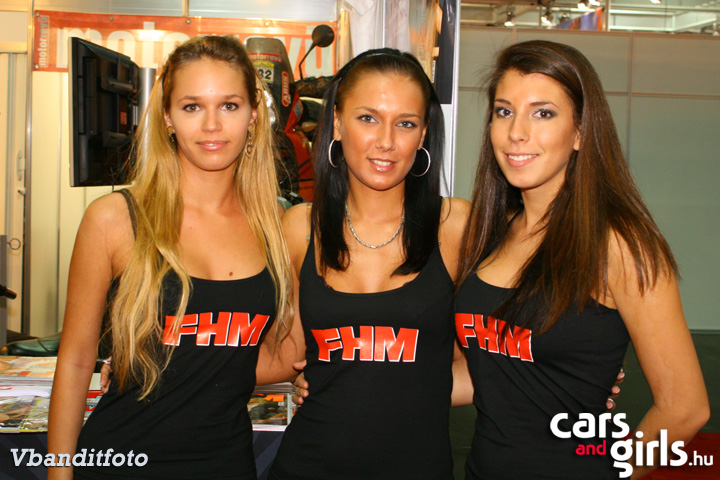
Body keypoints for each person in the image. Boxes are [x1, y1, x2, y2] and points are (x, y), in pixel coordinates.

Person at [453, 40, 709, 479]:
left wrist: (614, 473)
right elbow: (481, 376)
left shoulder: (619, 245)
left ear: (580, 133)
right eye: (504, 111)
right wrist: (359, 376)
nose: (517, 132)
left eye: (543, 113)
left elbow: (685, 409)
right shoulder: (490, 234)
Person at [47, 35, 292, 480]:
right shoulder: (114, 219)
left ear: (254, 115)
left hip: (225, 464)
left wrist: (320, 372)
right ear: (167, 117)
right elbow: (77, 361)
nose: (212, 125)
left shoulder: (277, 226)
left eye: (230, 105)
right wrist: (58, 475)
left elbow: (257, 356)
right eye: (192, 106)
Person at [268, 48, 469, 480]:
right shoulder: (300, 226)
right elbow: (285, 353)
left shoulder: (456, 226)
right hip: (307, 465)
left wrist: (578, 367)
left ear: (423, 133)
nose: (386, 142)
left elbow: (496, 355)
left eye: (406, 123)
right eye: (368, 118)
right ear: (338, 123)